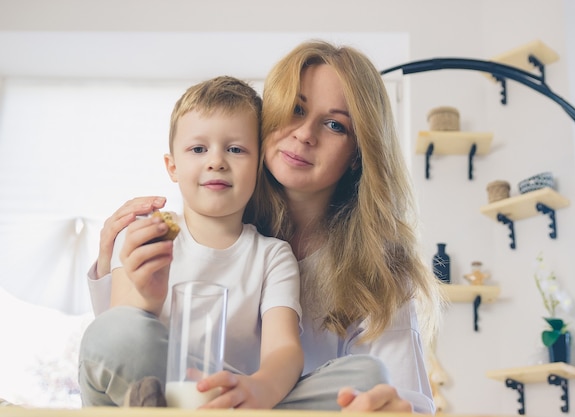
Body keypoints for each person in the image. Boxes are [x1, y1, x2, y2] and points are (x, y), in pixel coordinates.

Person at [85, 40, 442, 413]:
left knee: (370, 376)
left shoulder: (355, 265)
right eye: (295, 109)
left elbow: (405, 396)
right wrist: (125, 278)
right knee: (117, 336)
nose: (305, 134)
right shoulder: (199, 218)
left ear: (357, 154)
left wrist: (390, 406)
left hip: (270, 403)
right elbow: (121, 347)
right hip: (191, 392)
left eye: (335, 124)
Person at [79, 76, 304, 409]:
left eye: (236, 149)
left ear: (259, 167)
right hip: (148, 382)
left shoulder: (272, 256)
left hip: (226, 397)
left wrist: (258, 389)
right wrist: (149, 298)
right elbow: (120, 330)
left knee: (362, 374)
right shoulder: (144, 234)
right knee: (111, 333)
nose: (216, 161)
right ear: (172, 166)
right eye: (199, 149)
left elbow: (283, 349)